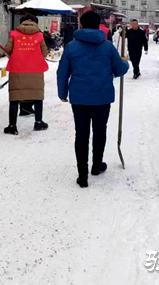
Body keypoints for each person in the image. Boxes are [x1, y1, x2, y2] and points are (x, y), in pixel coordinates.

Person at [57, 11, 129, 188]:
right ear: (98, 25)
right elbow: (119, 70)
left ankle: (83, 176)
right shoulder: (107, 46)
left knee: (81, 134)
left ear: (81, 25)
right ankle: (97, 166)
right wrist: (125, 62)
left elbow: (62, 73)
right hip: (102, 97)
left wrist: (62, 93)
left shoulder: (72, 47)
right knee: (99, 131)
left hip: (79, 97)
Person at [3, 14, 49, 135]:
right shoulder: (39, 35)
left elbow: (7, 49)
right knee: (38, 96)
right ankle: (38, 123)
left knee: (14, 97)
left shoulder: (14, 34)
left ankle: (12, 126)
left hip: (17, 70)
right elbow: (45, 52)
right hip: (36, 70)